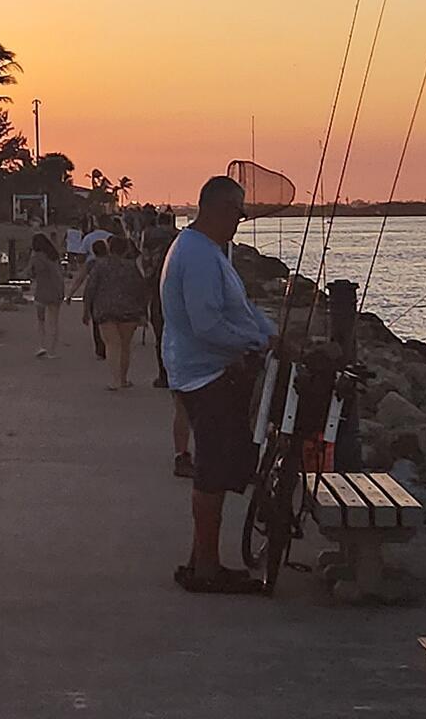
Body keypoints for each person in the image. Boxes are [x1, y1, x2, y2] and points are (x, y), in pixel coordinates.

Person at [162, 175, 275, 595]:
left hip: (204, 371)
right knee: (211, 472)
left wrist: (269, 333)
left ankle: (200, 559)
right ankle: (207, 568)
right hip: (206, 377)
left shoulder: (205, 250)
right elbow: (207, 324)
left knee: (218, 468)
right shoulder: (198, 255)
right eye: (238, 213)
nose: (239, 222)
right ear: (218, 209)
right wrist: (258, 341)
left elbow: (238, 308)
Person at [141, 207, 193, 476]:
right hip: (184, 330)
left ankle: (164, 375)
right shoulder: (178, 241)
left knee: (161, 338)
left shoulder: (150, 240)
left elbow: (145, 269)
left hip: (158, 301)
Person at [85, 236, 150, 389]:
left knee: (112, 345)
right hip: (129, 310)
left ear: (109, 248)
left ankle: (115, 380)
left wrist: (87, 310)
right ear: (126, 250)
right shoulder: (131, 267)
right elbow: (141, 289)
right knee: (125, 346)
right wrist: (143, 312)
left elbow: (91, 288)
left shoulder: (100, 266)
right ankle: (123, 378)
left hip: (105, 309)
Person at [68, 221, 115, 358]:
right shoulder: (114, 261)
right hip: (112, 295)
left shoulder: (91, 263)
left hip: (97, 297)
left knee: (97, 323)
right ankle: (111, 346)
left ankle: (101, 349)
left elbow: (81, 280)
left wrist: (70, 294)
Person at [28, 233, 64, 357]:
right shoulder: (54, 256)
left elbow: (30, 273)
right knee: (54, 322)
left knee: (41, 320)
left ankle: (41, 345)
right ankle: (52, 350)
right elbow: (60, 273)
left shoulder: (36, 257)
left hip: (41, 291)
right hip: (56, 290)